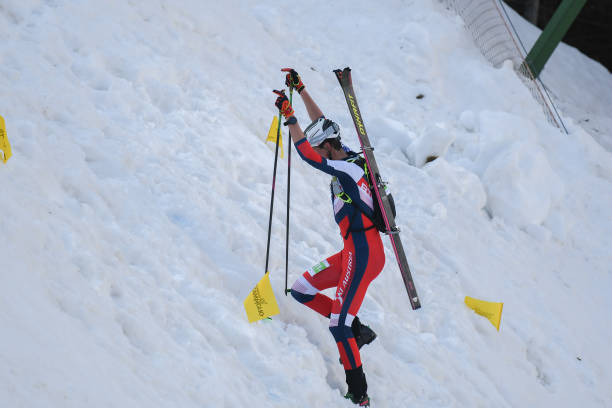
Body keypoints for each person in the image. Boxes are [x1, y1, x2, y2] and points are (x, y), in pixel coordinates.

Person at [273, 68, 386, 407]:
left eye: (319, 146)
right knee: (302, 289)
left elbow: (306, 153)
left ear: (328, 146)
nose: (318, 151)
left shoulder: (348, 167)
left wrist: (289, 119)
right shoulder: (344, 153)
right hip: (353, 250)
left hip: (364, 252)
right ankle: (359, 330)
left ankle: (360, 393)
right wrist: (301, 90)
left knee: (338, 324)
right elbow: (322, 124)